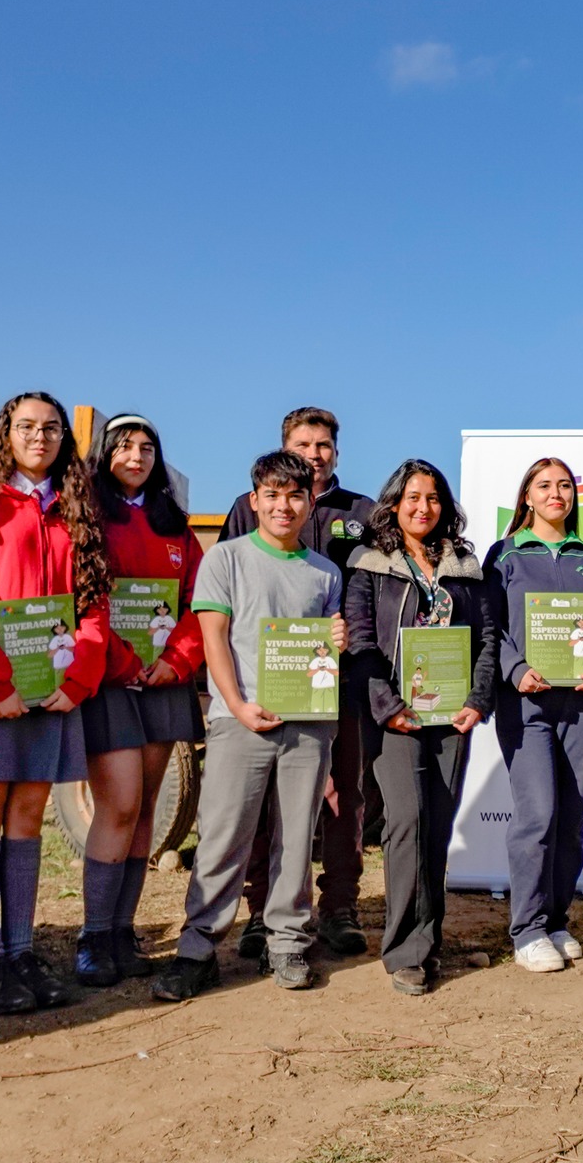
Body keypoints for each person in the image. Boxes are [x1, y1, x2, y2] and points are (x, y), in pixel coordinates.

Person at [0, 393, 109, 1015]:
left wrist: (80, 678)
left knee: (29, 818)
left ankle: (22, 950)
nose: (40, 436)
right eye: (27, 426)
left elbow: (95, 604)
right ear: (5, 431)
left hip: (55, 695)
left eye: (52, 427)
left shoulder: (77, 510)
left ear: (65, 437)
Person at [153, 451, 346, 1000]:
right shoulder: (227, 559)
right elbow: (214, 639)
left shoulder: (325, 572)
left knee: (295, 836)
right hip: (240, 721)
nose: (284, 506)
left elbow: (324, 651)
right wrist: (236, 707)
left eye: (295, 496)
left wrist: (338, 644)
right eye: (273, 495)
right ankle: (198, 947)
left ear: (311, 502)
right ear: (254, 499)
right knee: (222, 835)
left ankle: (287, 941)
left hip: (308, 722)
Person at [220, 408, 376, 961]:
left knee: (345, 799)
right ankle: (262, 913)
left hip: (344, 680)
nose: (315, 452)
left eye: (324, 444)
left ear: (337, 451)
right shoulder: (247, 506)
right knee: (264, 802)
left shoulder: (362, 512)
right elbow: (231, 592)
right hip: (267, 681)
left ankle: (339, 909)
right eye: (304, 443)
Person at [343, 460, 499, 995]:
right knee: (406, 822)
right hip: (397, 719)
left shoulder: (465, 566)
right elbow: (361, 644)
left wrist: (479, 700)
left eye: (433, 498)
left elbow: (488, 641)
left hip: (453, 717)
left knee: (436, 826)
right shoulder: (369, 565)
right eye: (412, 497)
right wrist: (387, 706)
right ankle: (403, 950)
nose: (423, 508)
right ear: (393, 504)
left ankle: (428, 941)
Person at [485, 458, 583, 973]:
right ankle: (526, 930)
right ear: (526, 495)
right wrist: (515, 667)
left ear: (575, 497)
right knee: (537, 816)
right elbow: (489, 628)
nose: (555, 494)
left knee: (570, 821)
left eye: (564, 486)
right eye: (544, 485)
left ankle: (555, 918)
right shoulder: (504, 556)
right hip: (527, 703)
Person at [75, 413, 204, 987]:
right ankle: (93, 935)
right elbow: (82, 595)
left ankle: (123, 932)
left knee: (148, 809)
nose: (136, 455)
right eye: (125, 446)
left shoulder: (172, 524)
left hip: (163, 680)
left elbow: (201, 602)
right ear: (105, 454)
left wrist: (176, 660)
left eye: (147, 448)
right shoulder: (87, 517)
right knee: (119, 805)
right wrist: (124, 662)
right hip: (109, 680)